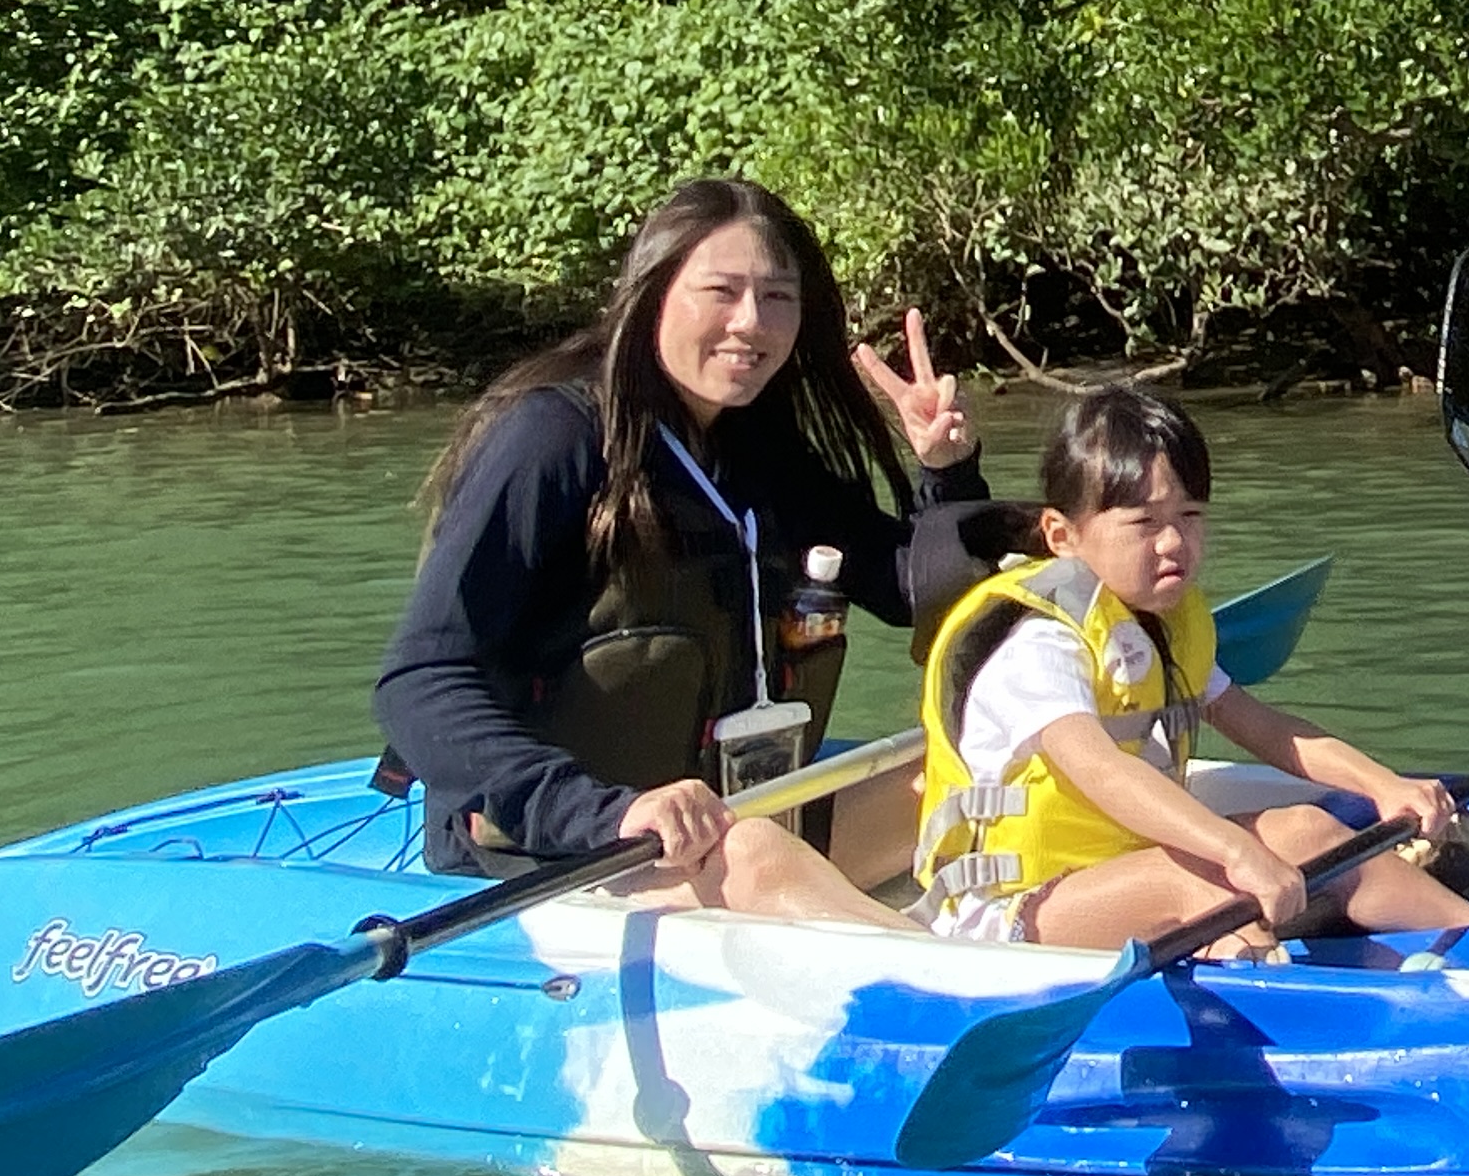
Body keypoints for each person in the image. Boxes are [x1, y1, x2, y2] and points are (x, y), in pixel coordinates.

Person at [374, 177, 1004, 926]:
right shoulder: (552, 439)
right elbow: (419, 680)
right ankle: (964, 995)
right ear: (653, 295)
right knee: (756, 857)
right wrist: (607, 812)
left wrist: (946, 472)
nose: (750, 322)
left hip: (737, 815)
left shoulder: (761, 449)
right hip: (572, 852)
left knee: (979, 769)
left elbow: (911, 590)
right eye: (721, 291)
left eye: (777, 298)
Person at [913, 387, 1469, 957]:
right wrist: (1235, 850)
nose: (1173, 542)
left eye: (1189, 515)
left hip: (1121, 868)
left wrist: (1381, 782)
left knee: (1307, 830)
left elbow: (1267, 729)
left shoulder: (1161, 621)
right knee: (1200, 880)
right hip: (1009, 912)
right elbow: (1100, 769)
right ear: (1063, 536)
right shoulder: (1038, 641)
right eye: (1142, 523)